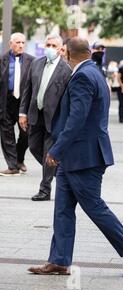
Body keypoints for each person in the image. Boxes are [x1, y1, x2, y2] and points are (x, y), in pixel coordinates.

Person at [27, 37, 123, 278]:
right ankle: (59, 260)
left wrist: (56, 149)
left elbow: (76, 119)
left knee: (94, 206)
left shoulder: (82, 76)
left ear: (68, 54)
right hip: (77, 156)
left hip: (84, 156)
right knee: (62, 209)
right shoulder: (94, 72)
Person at [18, 34, 72, 201]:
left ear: (61, 49)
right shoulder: (36, 63)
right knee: (34, 147)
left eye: (53, 45)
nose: (49, 48)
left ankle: (45, 189)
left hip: (54, 118)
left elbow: (67, 98)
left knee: (48, 152)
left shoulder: (66, 69)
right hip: (36, 114)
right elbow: (27, 89)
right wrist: (22, 112)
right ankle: (61, 172)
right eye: (47, 44)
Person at [0, 33, 34, 176]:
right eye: (17, 42)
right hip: (6, 101)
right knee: (7, 134)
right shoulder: (2, 60)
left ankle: (19, 159)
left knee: (26, 134)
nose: (21, 45)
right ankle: (13, 166)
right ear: (10, 44)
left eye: (23, 42)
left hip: (24, 102)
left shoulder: (32, 61)